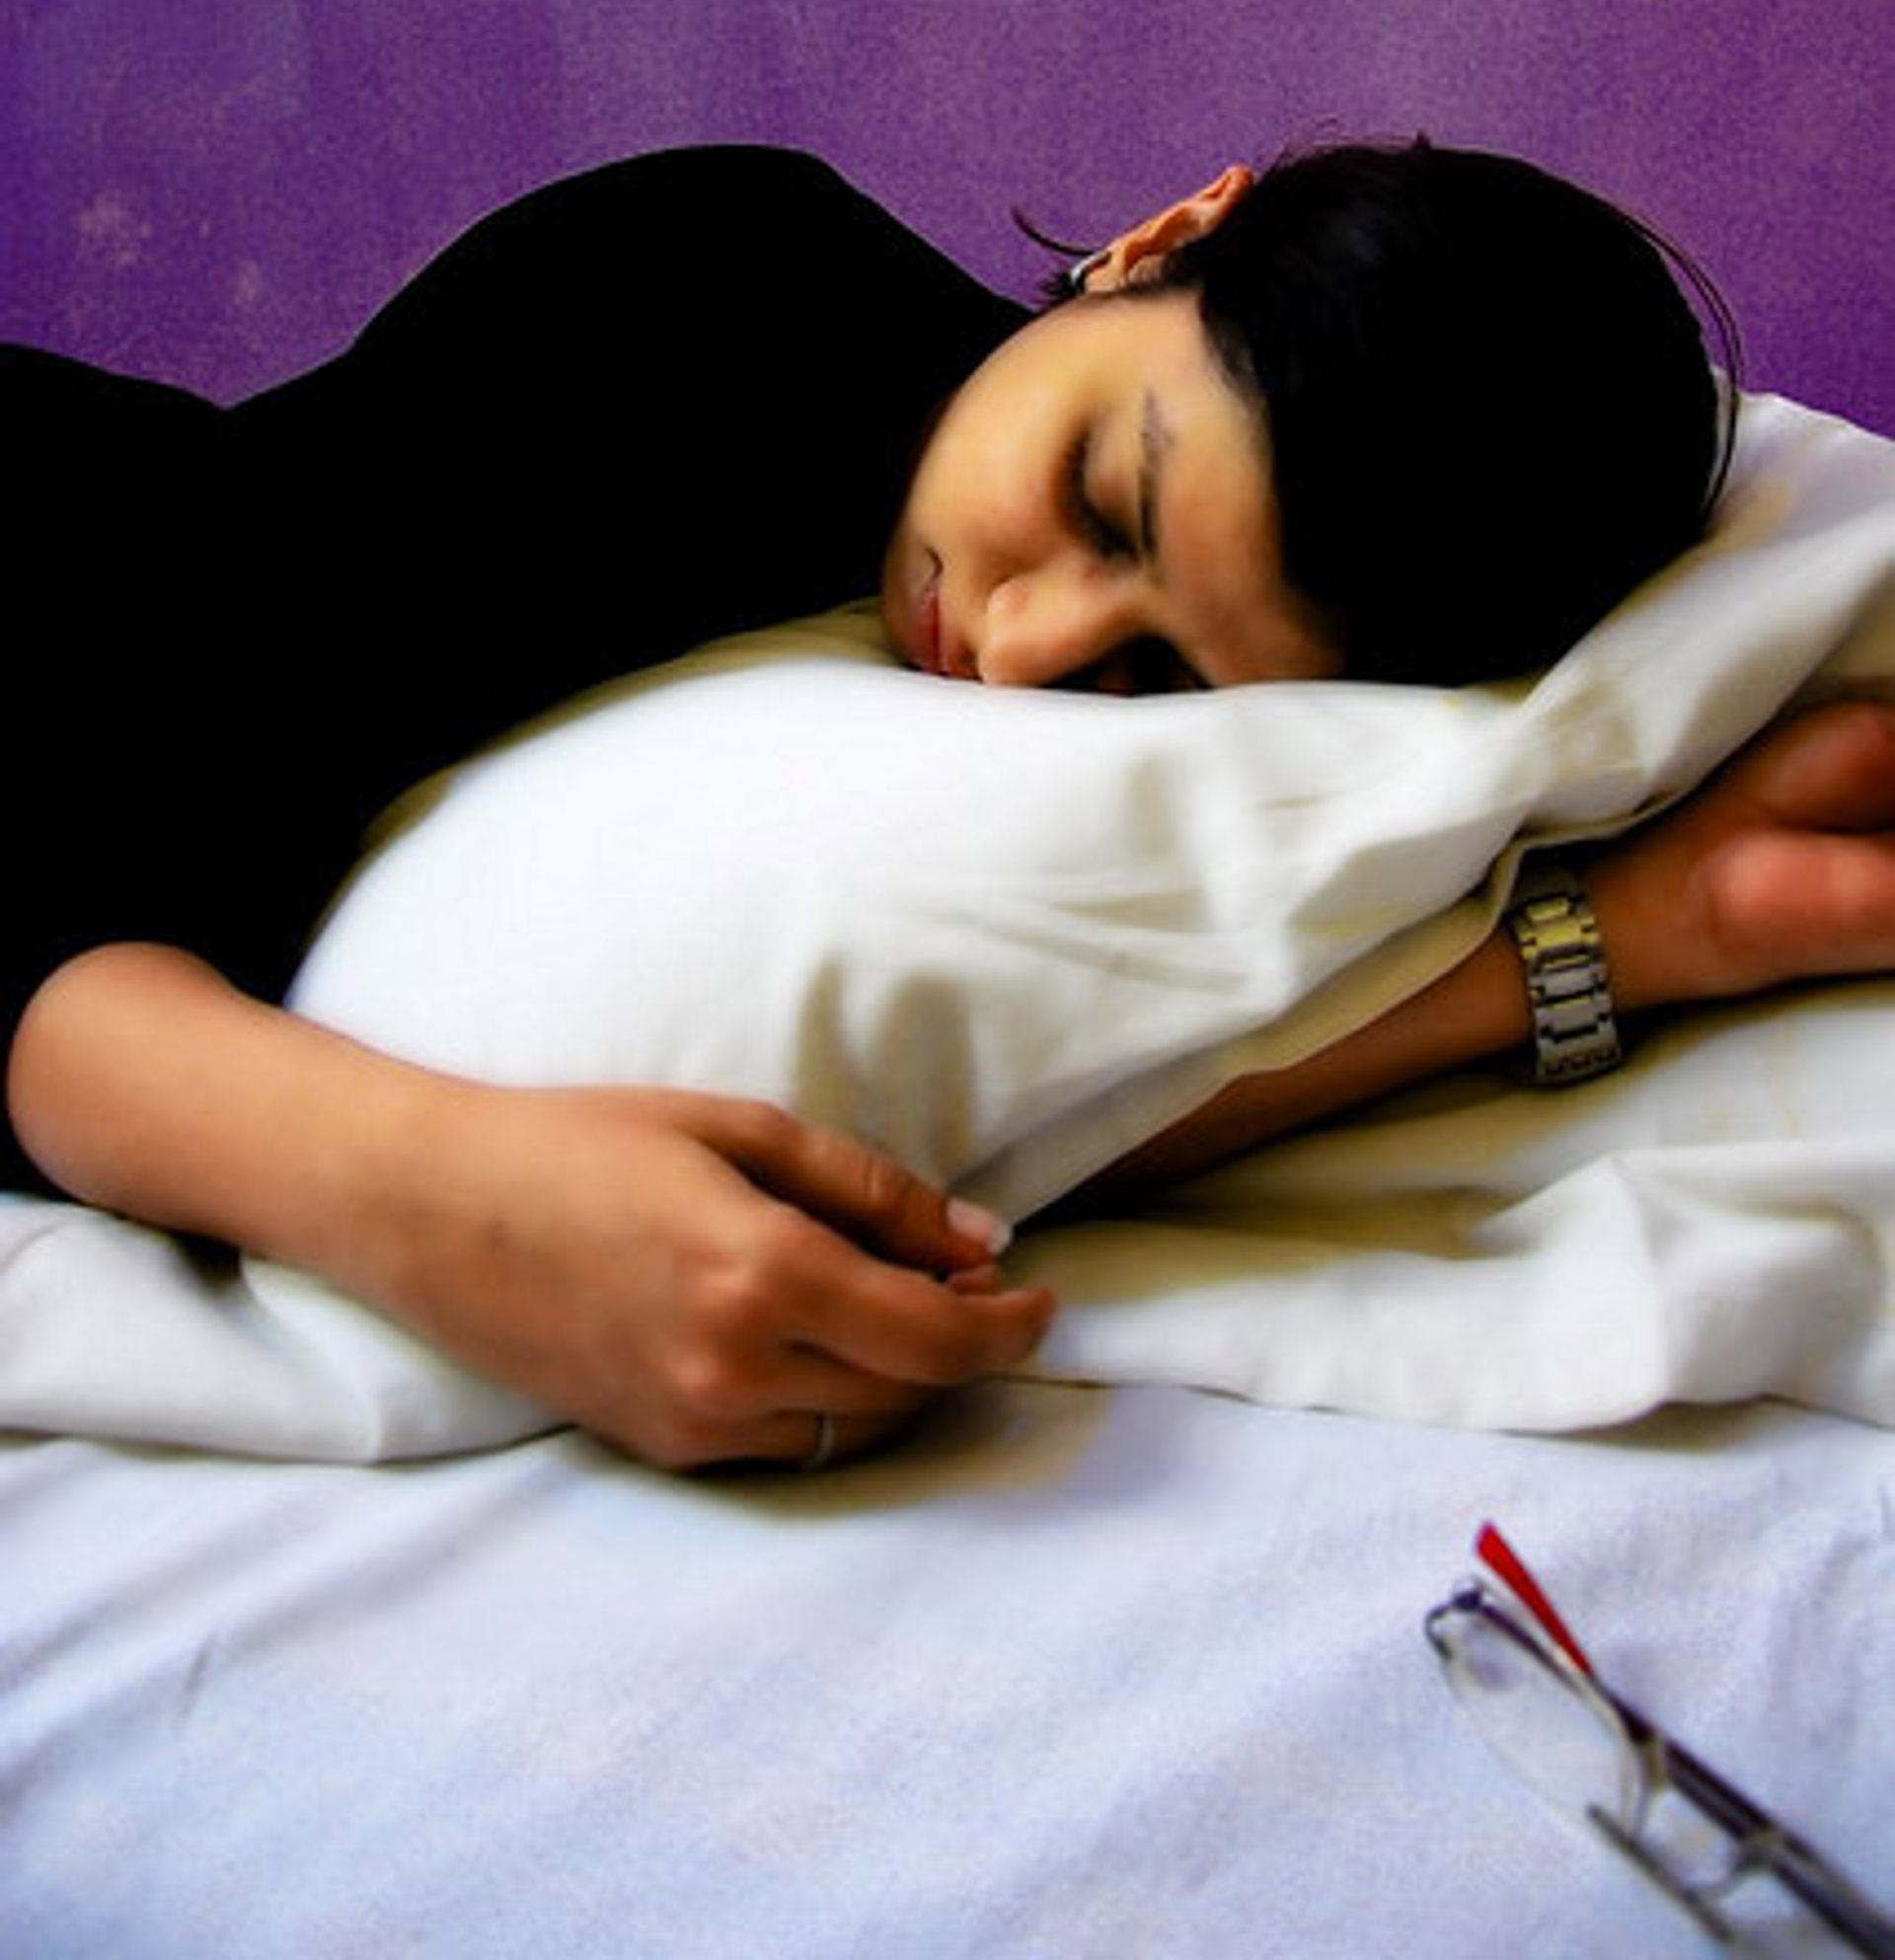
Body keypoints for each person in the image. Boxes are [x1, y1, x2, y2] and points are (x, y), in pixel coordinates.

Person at [7, 138, 1891, 1473]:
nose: (1020, 645)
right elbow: (57, 868)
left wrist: (1617, 936)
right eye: (1099, 501)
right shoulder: (714, 301)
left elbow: (1006, 1112)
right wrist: (452, 1210)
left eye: (1159, 682)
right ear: (1163, 236)